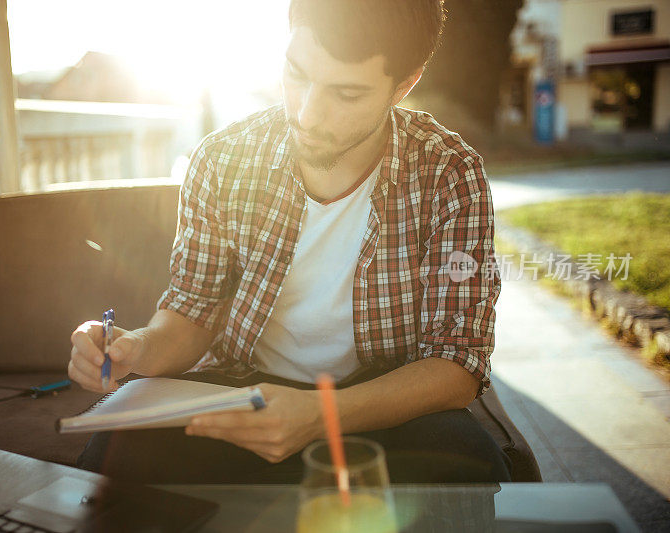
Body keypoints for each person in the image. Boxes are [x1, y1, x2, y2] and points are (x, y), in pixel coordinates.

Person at [69, 0, 510, 484]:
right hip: (246, 391)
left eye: (345, 94)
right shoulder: (222, 160)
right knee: (117, 450)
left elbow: (456, 364)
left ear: (404, 84)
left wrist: (321, 414)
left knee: (468, 460)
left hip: (378, 405)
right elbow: (193, 311)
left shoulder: (449, 175)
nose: (307, 113)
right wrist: (137, 346)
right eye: (297, 75)